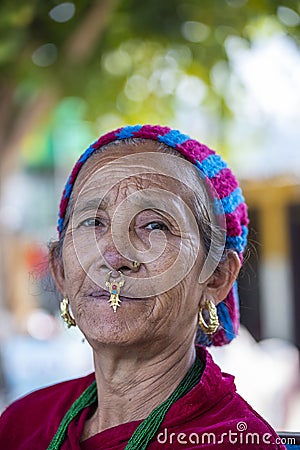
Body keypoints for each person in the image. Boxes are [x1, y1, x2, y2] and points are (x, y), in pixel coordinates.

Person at [0, 124, 286, 449]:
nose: (114, 255)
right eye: (93, 222)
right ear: (60, 270)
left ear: (216, 278)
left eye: (154, 225)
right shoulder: (23, 425)